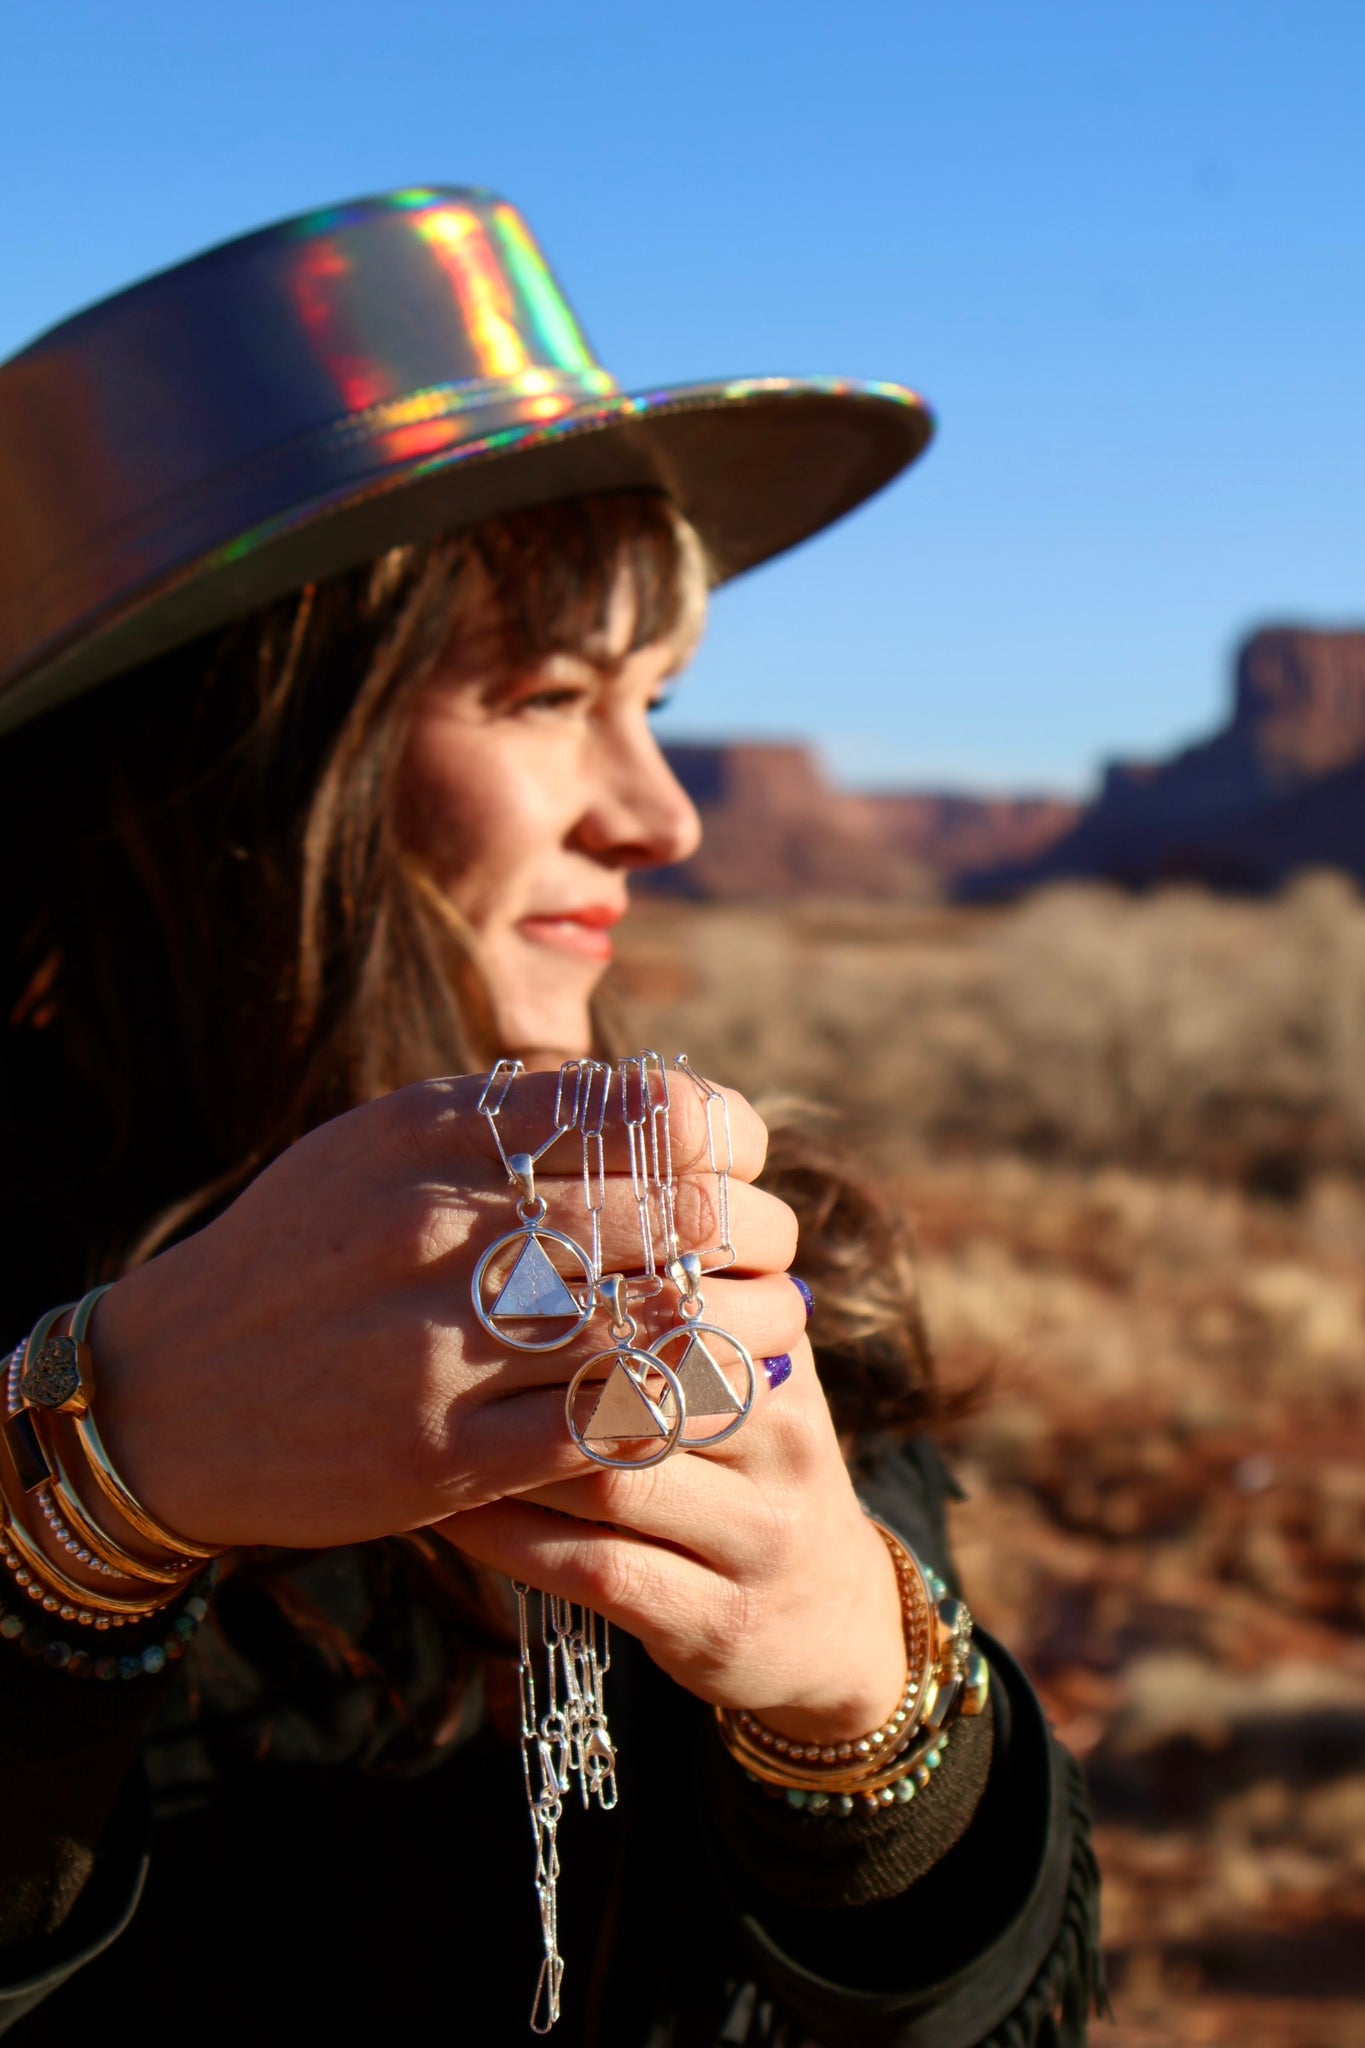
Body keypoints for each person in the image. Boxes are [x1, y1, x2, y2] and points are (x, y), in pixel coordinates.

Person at [0, 189, 1102, 2046]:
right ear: (247, 735)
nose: (659, 816)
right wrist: (75, 1503)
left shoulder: (747, 1272)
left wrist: (870, 1717)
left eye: (660, 702)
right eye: (543, 694)